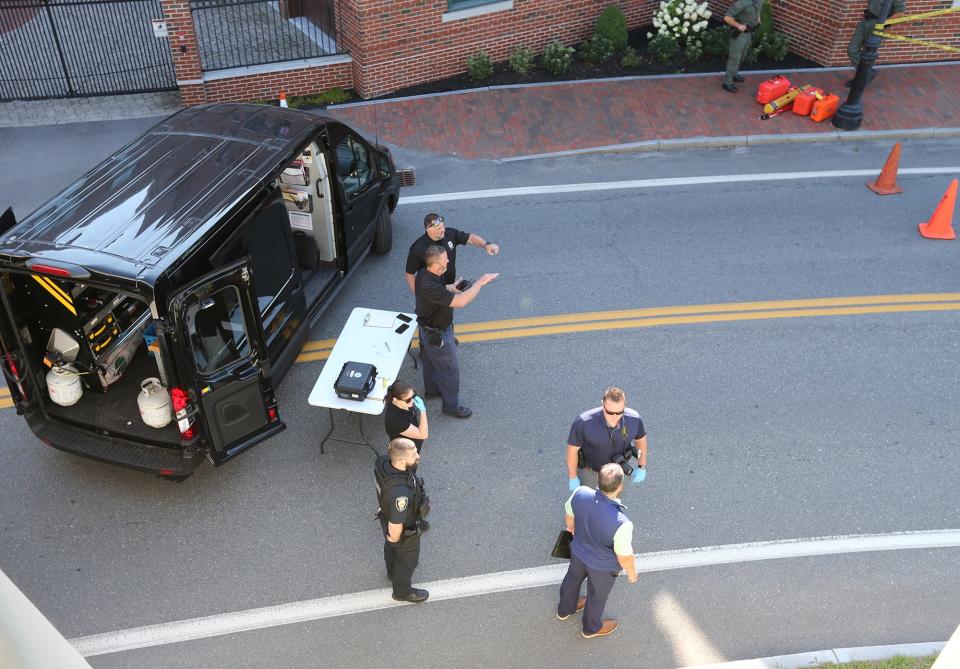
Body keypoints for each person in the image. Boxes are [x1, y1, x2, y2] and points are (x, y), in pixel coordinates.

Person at [414, 244, 498, 418]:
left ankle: (432, 391)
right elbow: (460, 302)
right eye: (445, 258)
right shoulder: (431, 285)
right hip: (438, 334)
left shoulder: (425, 274)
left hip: (426, 331)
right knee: (450, 370)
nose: (448, 259)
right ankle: (451, 407)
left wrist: (451, 288)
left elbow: (438, 292)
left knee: (430, 361)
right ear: (437, 264)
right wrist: (480, 283)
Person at [557, 463, 638, 639]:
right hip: (602, 567)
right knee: (596, 596)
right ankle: (590, 628)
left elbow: (569, 517)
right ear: (620, 487)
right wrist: (631, 571)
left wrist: (572, 528)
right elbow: (624, 555)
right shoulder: (622, 523)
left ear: (598, 481)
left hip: (578, 551)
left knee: (572, 578)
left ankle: (564, 609)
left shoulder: (580, 493)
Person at [376, 437, 431, 603]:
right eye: (414, 455)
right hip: (401, 525)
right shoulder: (400, 494)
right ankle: (402, 592)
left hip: (386, 514)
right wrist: (396, 538)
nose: (418, 456)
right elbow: (396, 523)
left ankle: (392, 572)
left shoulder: (383, 462)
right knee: (407, 559)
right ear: (400, 461)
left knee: (391, 548)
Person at [566, 387, 648, 492]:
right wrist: (573, 477)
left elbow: (640, 440)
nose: (615, 417)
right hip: (592, 474)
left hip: (619, 473)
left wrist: (642, 466)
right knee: (590, 505)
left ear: (625, 405)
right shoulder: (584, 423)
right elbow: (572, 450)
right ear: (602, 404)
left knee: (614, 502)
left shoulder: (635, 419)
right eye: (610, 412)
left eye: (619, 412)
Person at [404, 213, 500, 294]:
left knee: (447, 312)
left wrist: (486, 244)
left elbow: (470, 238)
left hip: (450, 285)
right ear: (428, 229)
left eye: (442, 226)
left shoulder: (450, 234)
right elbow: (410, 273)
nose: (442, 230)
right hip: (432, 290)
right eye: (438, 228)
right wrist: (417, 294)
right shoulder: (418, 248)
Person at [845, 0, 906, 87]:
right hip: (865, 21)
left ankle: (860, 78)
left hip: (877, 24)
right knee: (852, 50)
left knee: (867, 53)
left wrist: (883, 24)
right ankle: (867, 73)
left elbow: (900, 13)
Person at [721, 0, 762, 93]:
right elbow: (727, 17)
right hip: (739, 34)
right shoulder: (742, 2)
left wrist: (758, 17)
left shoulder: (759, 1)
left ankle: (734, 74)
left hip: (749, 33)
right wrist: (738, 25)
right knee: (735, 58)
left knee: (742, 55)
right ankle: (727, 82)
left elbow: (758, 9)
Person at [384, 380, 429, 453]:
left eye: (413, 396)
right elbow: (423, 435)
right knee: (409, 464)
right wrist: (423, 411)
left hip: (412, 440)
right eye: (408, 400)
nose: (412, 401)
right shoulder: (396, 420)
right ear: (396, 400)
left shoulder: (402, 404)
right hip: (404, 451)